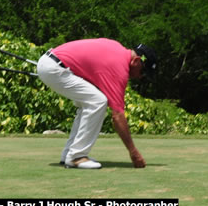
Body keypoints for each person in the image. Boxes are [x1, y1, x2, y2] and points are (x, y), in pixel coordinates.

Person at [36, 38, 157, 169]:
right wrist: (133, 152)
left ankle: (69, 154)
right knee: (97, 102)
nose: (140, 77)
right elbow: (117, 116)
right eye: (143, 72)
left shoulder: (117, 48)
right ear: (136, 61)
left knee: (90, 102)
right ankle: (76, 156)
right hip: (55, 68)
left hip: (52, 62)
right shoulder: (119, 68)